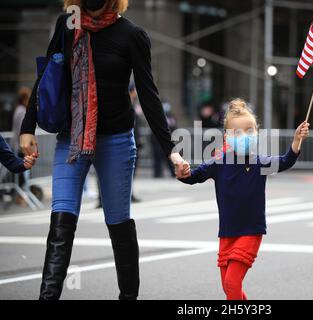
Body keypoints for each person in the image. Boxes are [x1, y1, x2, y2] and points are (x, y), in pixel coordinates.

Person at [19, 0, 190, 300]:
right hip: (72, 139)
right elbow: (46, 78)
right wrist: (26, 128)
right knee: (61, 220)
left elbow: (148, 95)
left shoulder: (132, 35)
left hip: (116, 141)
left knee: (118, 222)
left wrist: (171, 150)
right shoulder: (67, 25)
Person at [179, 99, 310, 300]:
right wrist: (182, 172)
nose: (245, 136)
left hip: (251, 231)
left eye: (250, 131)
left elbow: (285, 161)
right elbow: (193, 177)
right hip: (227, 232)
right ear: (227, 137)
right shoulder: (218, 162)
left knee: (232, 282)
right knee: (229, 286)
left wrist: (296, 140)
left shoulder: (260, 162)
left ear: (257, 132)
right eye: (238, 133)